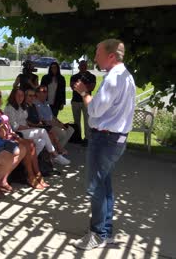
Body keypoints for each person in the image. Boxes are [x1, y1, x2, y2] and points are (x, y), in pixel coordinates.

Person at [71, 39, 136, 250]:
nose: (95, 57)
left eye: (97, 52)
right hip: (114, 139)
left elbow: (94, 110)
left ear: (110, 56)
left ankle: (98, 234)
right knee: (105, 187)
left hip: (105, 140)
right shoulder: (125, 76)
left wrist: (83, 92)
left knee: (96, 188)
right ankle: (106, 232)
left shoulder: (114, 79)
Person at [0, 88, 49, 189]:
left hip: (11, 135)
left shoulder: (0, 110)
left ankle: (37, 174)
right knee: (28, 146)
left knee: (31, 144)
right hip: (1, 139)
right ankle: (31, 176)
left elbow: (8, 126)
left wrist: (12, 133)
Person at [4, 87, 70, 166]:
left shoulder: (21, 107)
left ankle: (29, 163)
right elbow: (15, 126)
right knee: (42, 131)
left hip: (26, 130)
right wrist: (31, 128)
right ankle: (55, 155)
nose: (20, 97)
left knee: (41, 142)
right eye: (18, 95)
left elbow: (26, 120)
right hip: (17, 133)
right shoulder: (9, 108)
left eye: (22, 95)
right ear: (13, 96)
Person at [35, 85, 75, 150]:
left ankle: (58, 149)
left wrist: (60, 123)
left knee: (71, 129)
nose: (46, 93)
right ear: (37, 93)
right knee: (62, 133)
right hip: (47, 125)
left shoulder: (46, 103)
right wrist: (59, 125)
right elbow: (43, 120)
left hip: (54, 123)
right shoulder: (36, 104)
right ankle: (56, 151)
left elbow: (52, 116)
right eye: (44, 91)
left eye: (46, 91)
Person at [70, 60, 96, 145]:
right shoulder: (74, 76)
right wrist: (84, 87)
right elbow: (74, 87)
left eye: (84, 65)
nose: (82, 67)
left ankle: (87, 138)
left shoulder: (92, 76)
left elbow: (91, 87)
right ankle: (77, 137)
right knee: (76, 121)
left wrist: (80, 87)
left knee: (87, 120)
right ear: (78, 67)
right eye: (81, 66)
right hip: (75, 101)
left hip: (86, 101)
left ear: (86, 66)